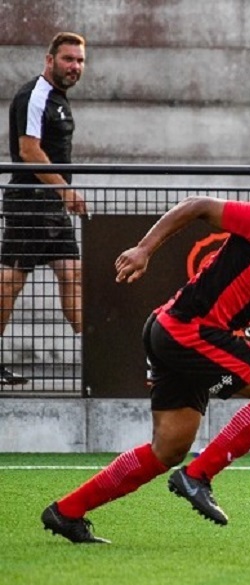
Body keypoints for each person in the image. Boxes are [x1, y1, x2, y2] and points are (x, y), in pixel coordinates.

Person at [41, 171, 250, 543]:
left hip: (182, 335)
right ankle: (198, 475)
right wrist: (144, 250)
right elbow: (196, 205)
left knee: (166, 450)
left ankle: (66, 512)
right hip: (186, 330)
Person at [1, 32, 89, 385]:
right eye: (68, 59)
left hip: (51, 205)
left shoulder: (59, 99)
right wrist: (66, 191)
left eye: (80, 61)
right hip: (30, 203)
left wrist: (61, 196)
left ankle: (103, 355)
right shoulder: (34, 94)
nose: (75, 67)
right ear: (49, 60)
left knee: (72, 274)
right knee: (10, 282)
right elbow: (29, 151)